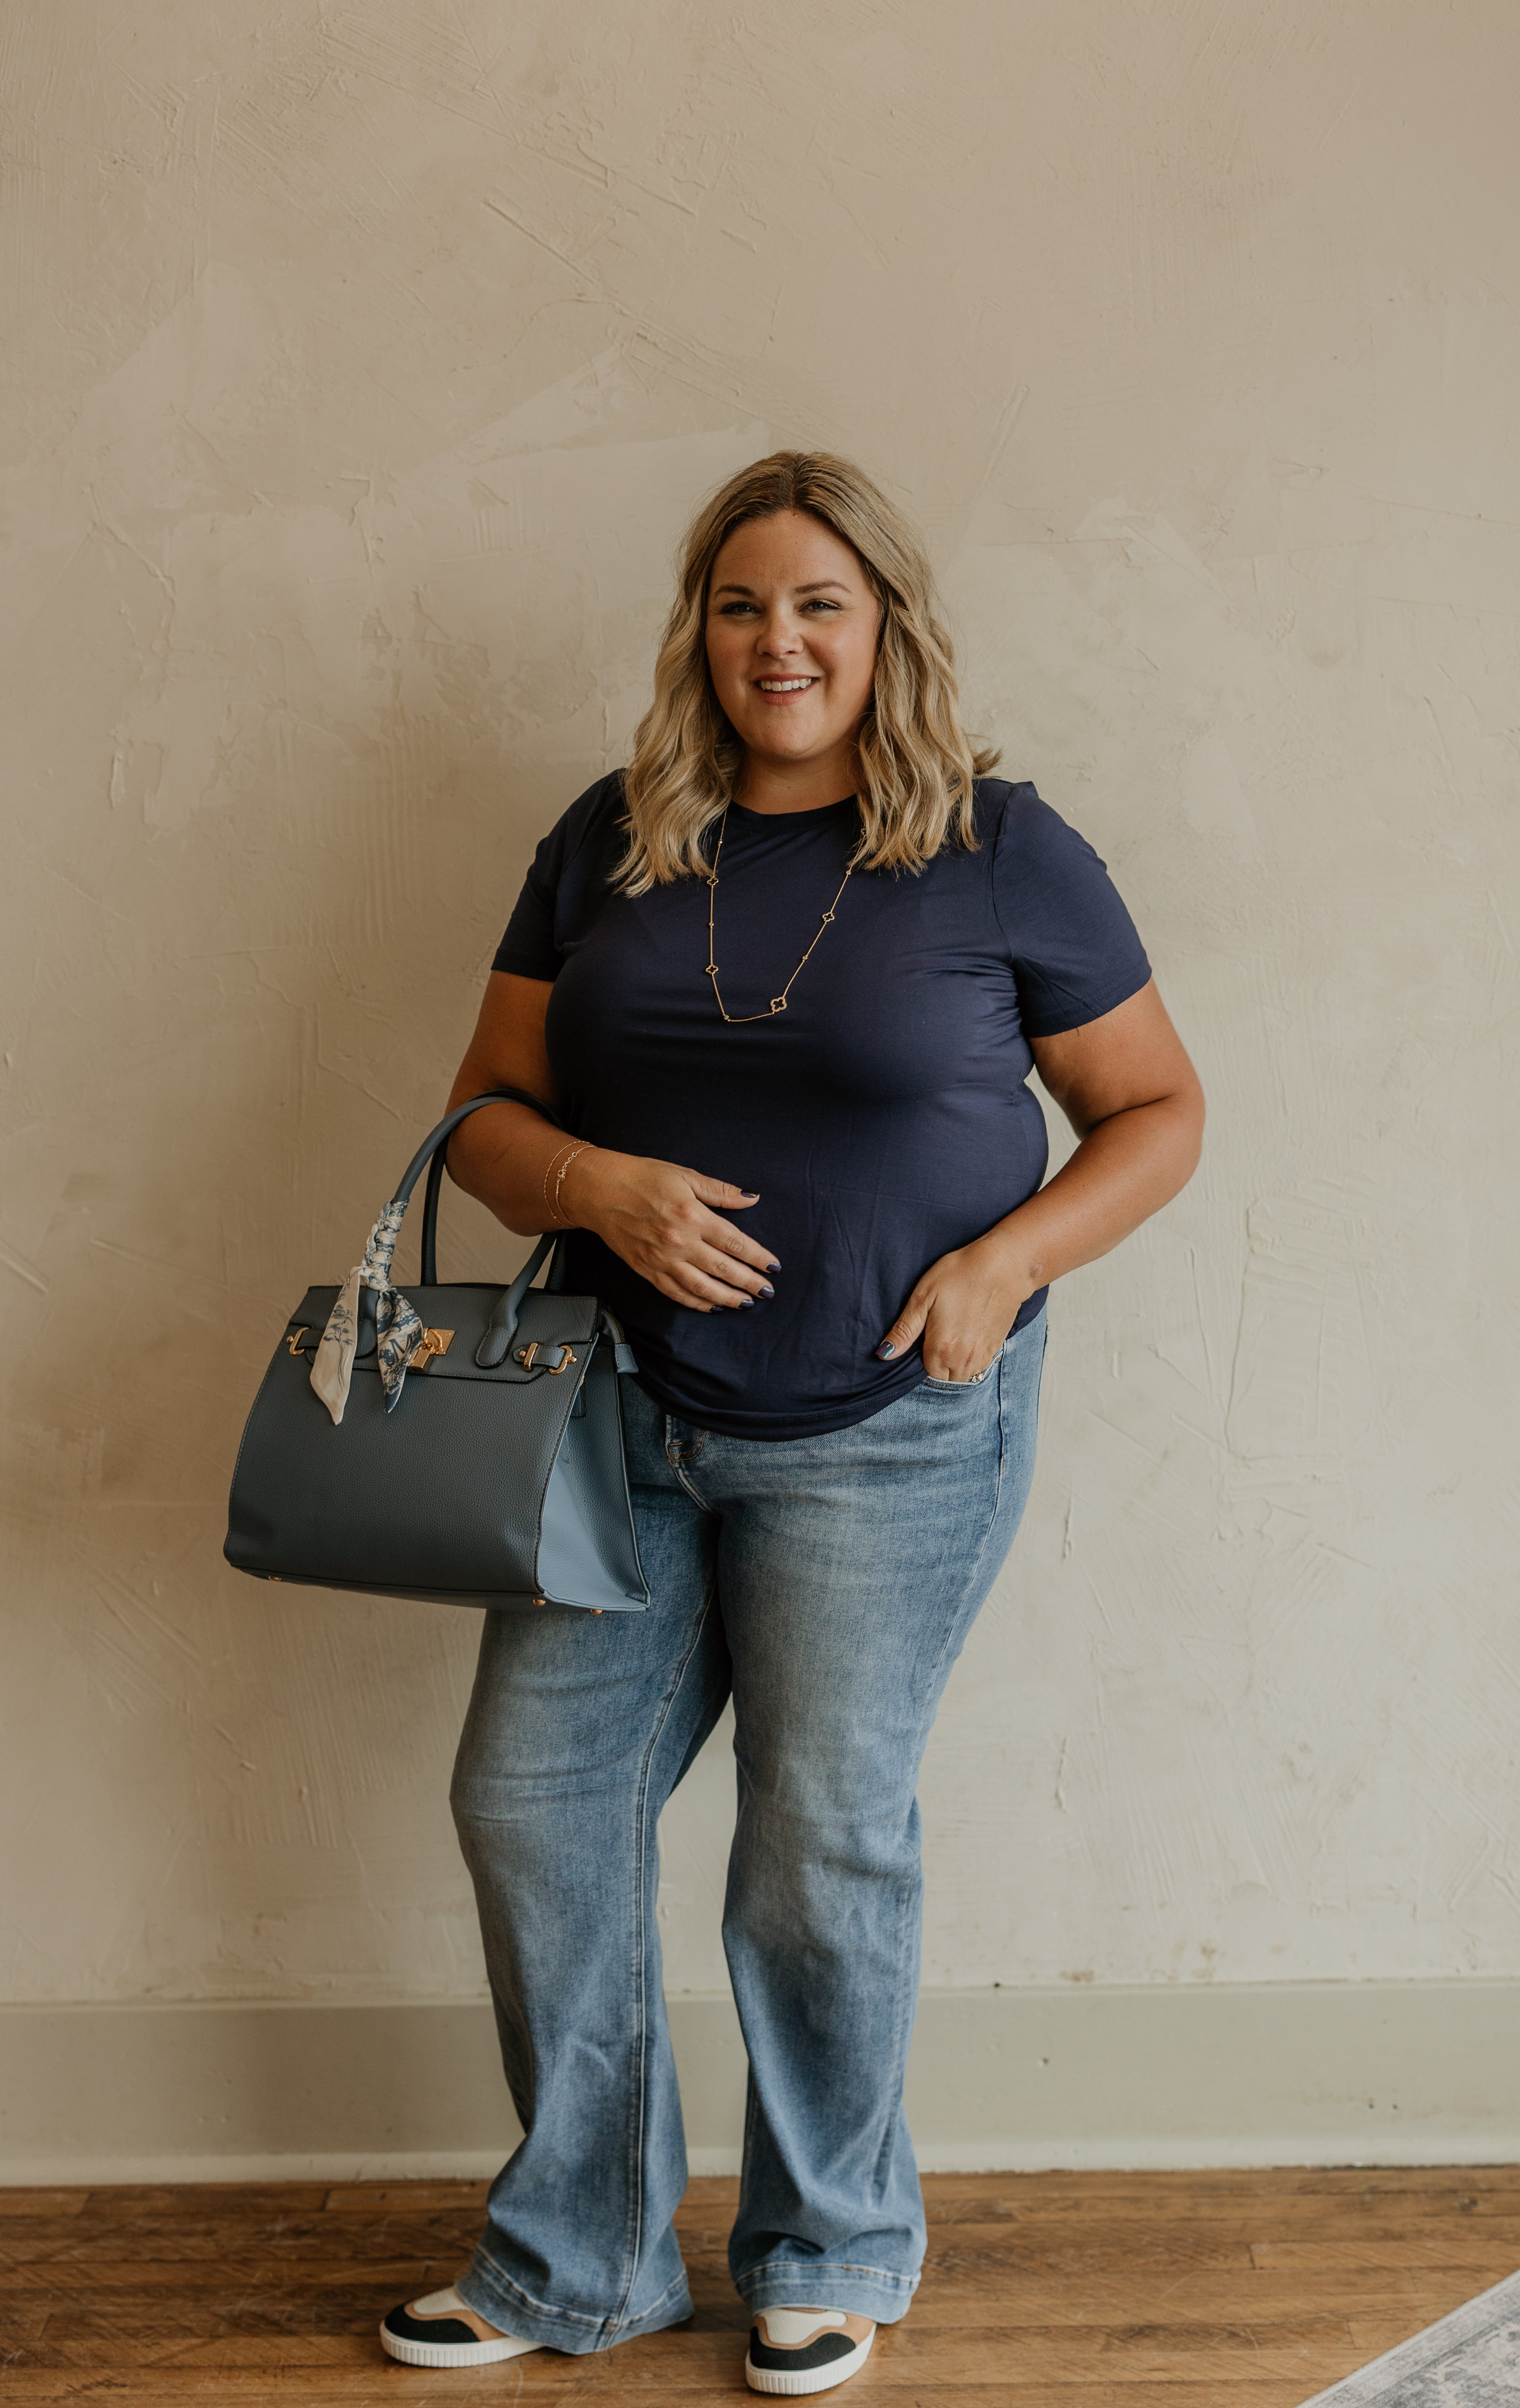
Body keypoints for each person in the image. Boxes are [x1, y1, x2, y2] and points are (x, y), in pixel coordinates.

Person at [378, 451, 1204, 2395]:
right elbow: (482, 1115)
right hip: (613, 1423)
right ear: (699, 632)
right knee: (532, 1804)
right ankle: (575, 2257)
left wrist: (1002, 1269)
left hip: (887, 1433)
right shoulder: (610, 836)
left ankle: (827, 2246)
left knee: (815, 1844)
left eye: (820, 603)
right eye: (741, 604)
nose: (779, 641)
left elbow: (1157, 1111)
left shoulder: (999, 847)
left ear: (885, 626)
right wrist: (595, 1188)